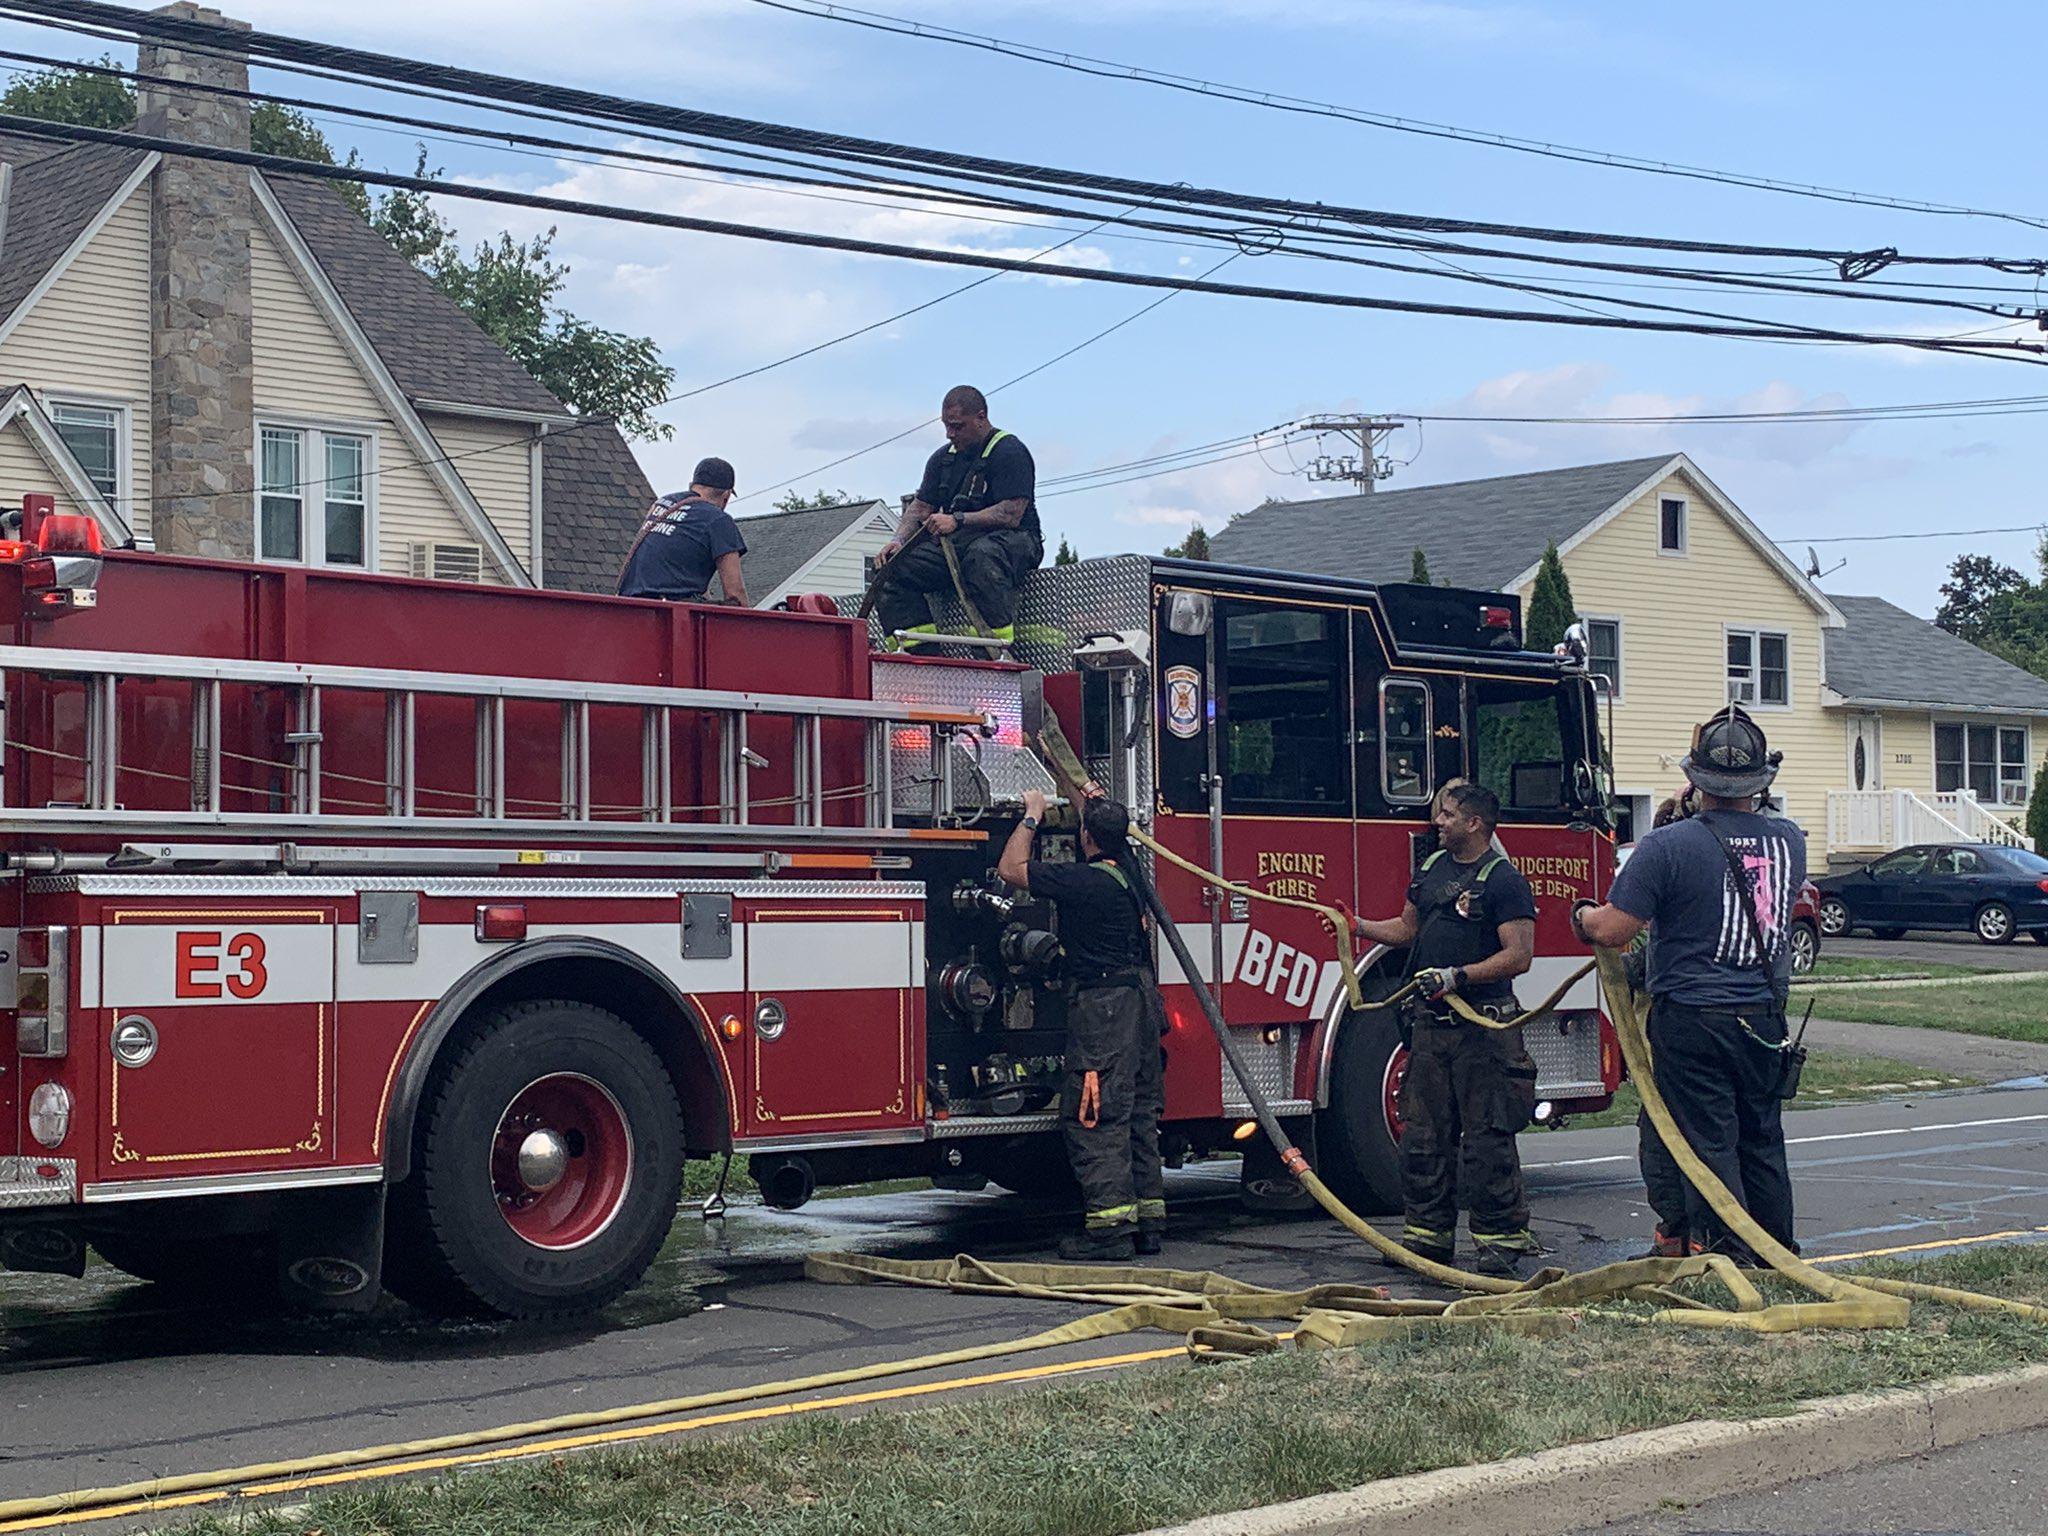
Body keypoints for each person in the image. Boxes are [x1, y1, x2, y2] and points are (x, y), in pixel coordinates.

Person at [1574, 705, 1805, 1261]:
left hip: (1694, 1019)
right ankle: (1778, 1253)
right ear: (1760, 780)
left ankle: (1726, 1256)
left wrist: (1580, 916)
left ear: (1695, 779)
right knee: (1762, 1140)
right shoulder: (1790, 840)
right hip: (1764, 1015)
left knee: (1708, 1143)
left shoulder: (1666, 847)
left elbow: (1614, 928)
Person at [1339, 782, 1542, 1275]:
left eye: (1449, 815)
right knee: (1423, 1136)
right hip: (1431, 1028)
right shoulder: (1431, 869)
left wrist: (1459, 976)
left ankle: (1501, 1242)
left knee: (1487, 1137)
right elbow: (1407, 930)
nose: (1439, 822)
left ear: (1475, 824)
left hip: (1483, 1029)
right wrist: (1359, 926)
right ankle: (1427, 1240)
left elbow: (1519, 956)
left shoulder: (1503, 881)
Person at [997, 788, 1165, 1261]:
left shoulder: (1083, 881)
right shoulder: (1129, 872)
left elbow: (1011, 870)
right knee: (1138, 1112)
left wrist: (1032, 815)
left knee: (1097, 1114)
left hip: (1104, 1009)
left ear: (1086, 837)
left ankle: (1109, 1233)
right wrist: (1085, 793)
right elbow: (1109, 824)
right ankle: (1148, 1222)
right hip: (1141, 1002)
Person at [874, 386, 1043, 649]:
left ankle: (994, 654)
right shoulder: (942, 460)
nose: (950, 434)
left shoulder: (1009, 451)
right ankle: (922, 663)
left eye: (957, 426)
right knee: (892, 570)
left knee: (981, 556)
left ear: (981, 417)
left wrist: (958, 520)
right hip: (958, 547)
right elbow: (920, 507)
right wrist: (898, 541)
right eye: (946, 426)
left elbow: (1011, 513)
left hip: (1016, 542)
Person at [617, 457, 748, 605]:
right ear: (726, 497)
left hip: (628, 603)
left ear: (692, 485)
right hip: (669, 610)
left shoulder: (661, 504)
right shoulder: (719, 520)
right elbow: (735, 592)